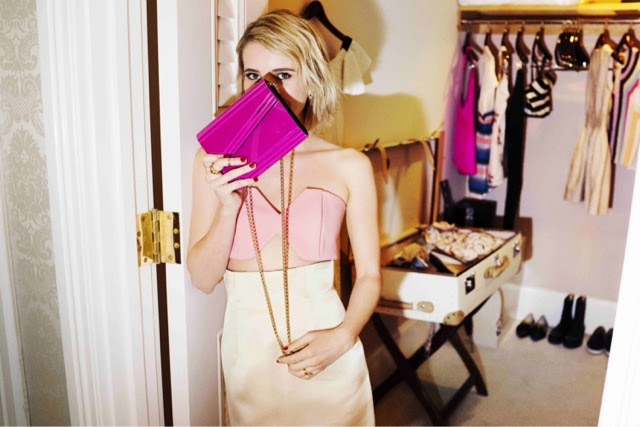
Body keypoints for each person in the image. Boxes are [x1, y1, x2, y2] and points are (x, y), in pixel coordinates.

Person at [187, 9, 380, 426]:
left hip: (328, 349)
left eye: (284, 74)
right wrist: (228, 206)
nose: (267, 90)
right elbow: (202, 279)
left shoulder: (349, 165)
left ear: (312, 79)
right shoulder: (213, 161)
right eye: (253, 75)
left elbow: (369, 276)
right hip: (250, 359)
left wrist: (344, 335)